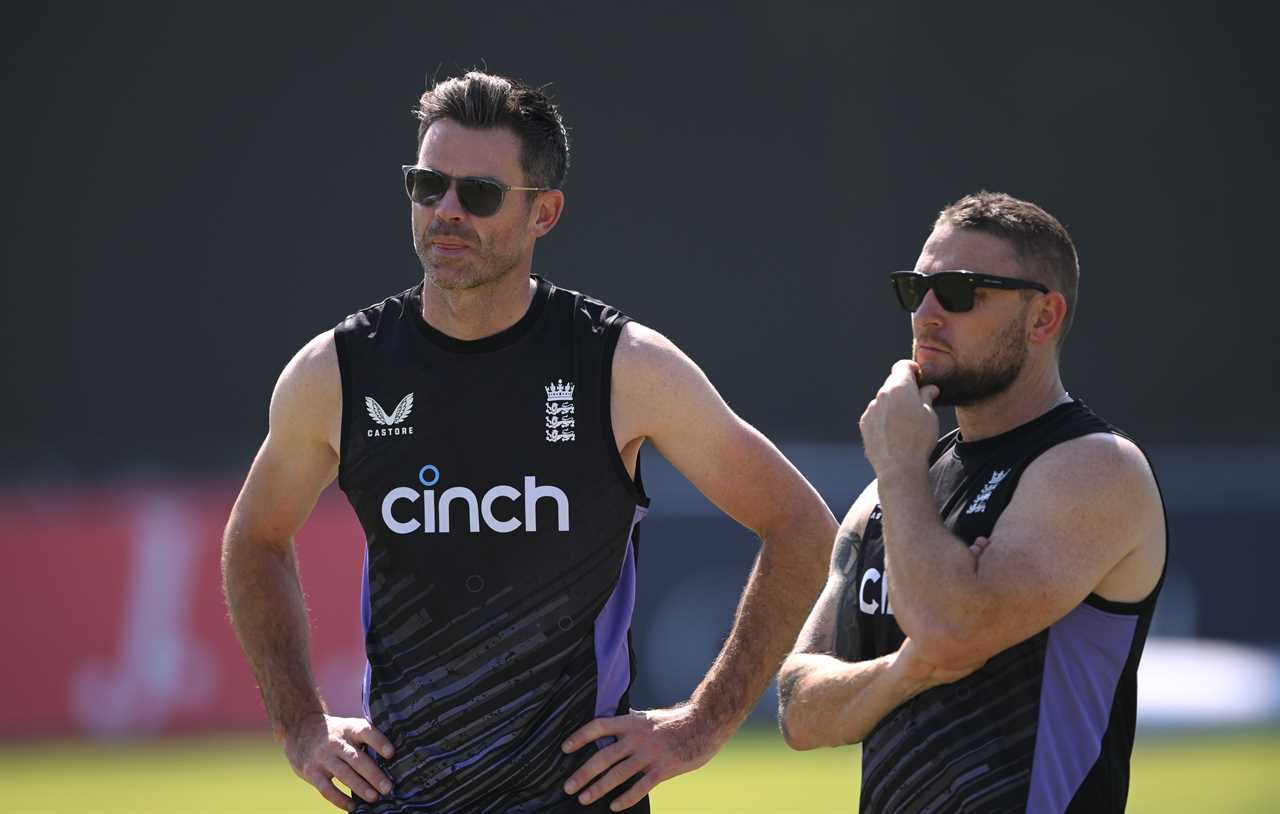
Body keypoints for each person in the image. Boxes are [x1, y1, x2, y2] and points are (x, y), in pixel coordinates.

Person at [221, 70, 836, 814]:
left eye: (477, 195)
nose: (446, 211)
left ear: (544, 213)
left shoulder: (623, 367)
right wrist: (301, 727)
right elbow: (254, 540)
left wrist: (698, 728)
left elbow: (802, 529)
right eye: (426, 185)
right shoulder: (337, 372)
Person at [777, 191, 1167, 813]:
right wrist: (910, 669)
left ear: (1043, 318)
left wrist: (901, 463)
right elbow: (799, 709)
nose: (926, 314)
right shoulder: (892, 489)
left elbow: (948, 628)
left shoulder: (1097, 467)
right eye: (915, 288)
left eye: (959, 291)